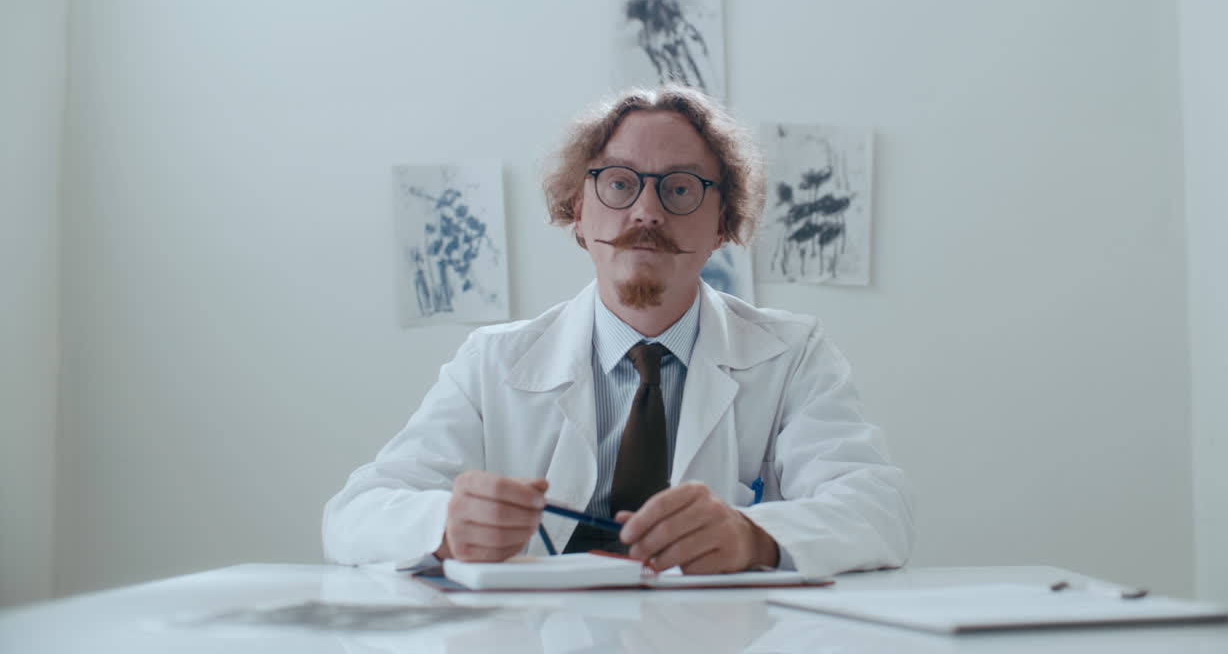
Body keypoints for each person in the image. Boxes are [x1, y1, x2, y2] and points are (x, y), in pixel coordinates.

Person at [323, 85, 915, 577]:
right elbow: (355, 514)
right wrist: (445, 525)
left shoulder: (792, 356)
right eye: (618, 183)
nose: (647, 212)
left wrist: (755, 536)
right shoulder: (492, 362)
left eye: (681, 188)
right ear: (578, 211)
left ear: (723, 223)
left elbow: (878, 508)